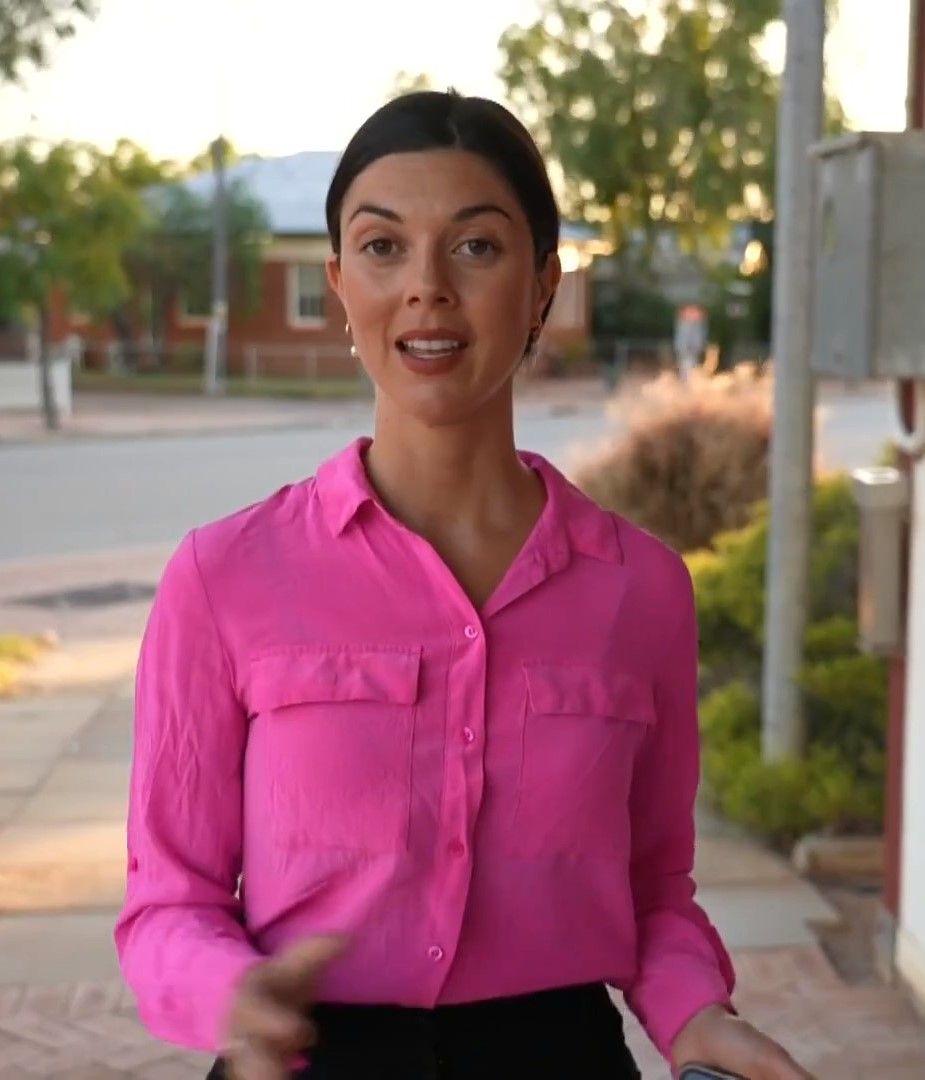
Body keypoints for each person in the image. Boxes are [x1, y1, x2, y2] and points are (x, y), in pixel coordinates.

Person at [115, 91, 813, 1080]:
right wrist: (232, 994)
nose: (426, 288)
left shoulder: (642, 590)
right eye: (382, 248)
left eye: (476, 247)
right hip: (307, 1060)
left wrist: (694, 1015)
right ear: (338, 283)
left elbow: (655, 888)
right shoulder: (223, 577)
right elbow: (167, 902)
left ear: (542, 285)